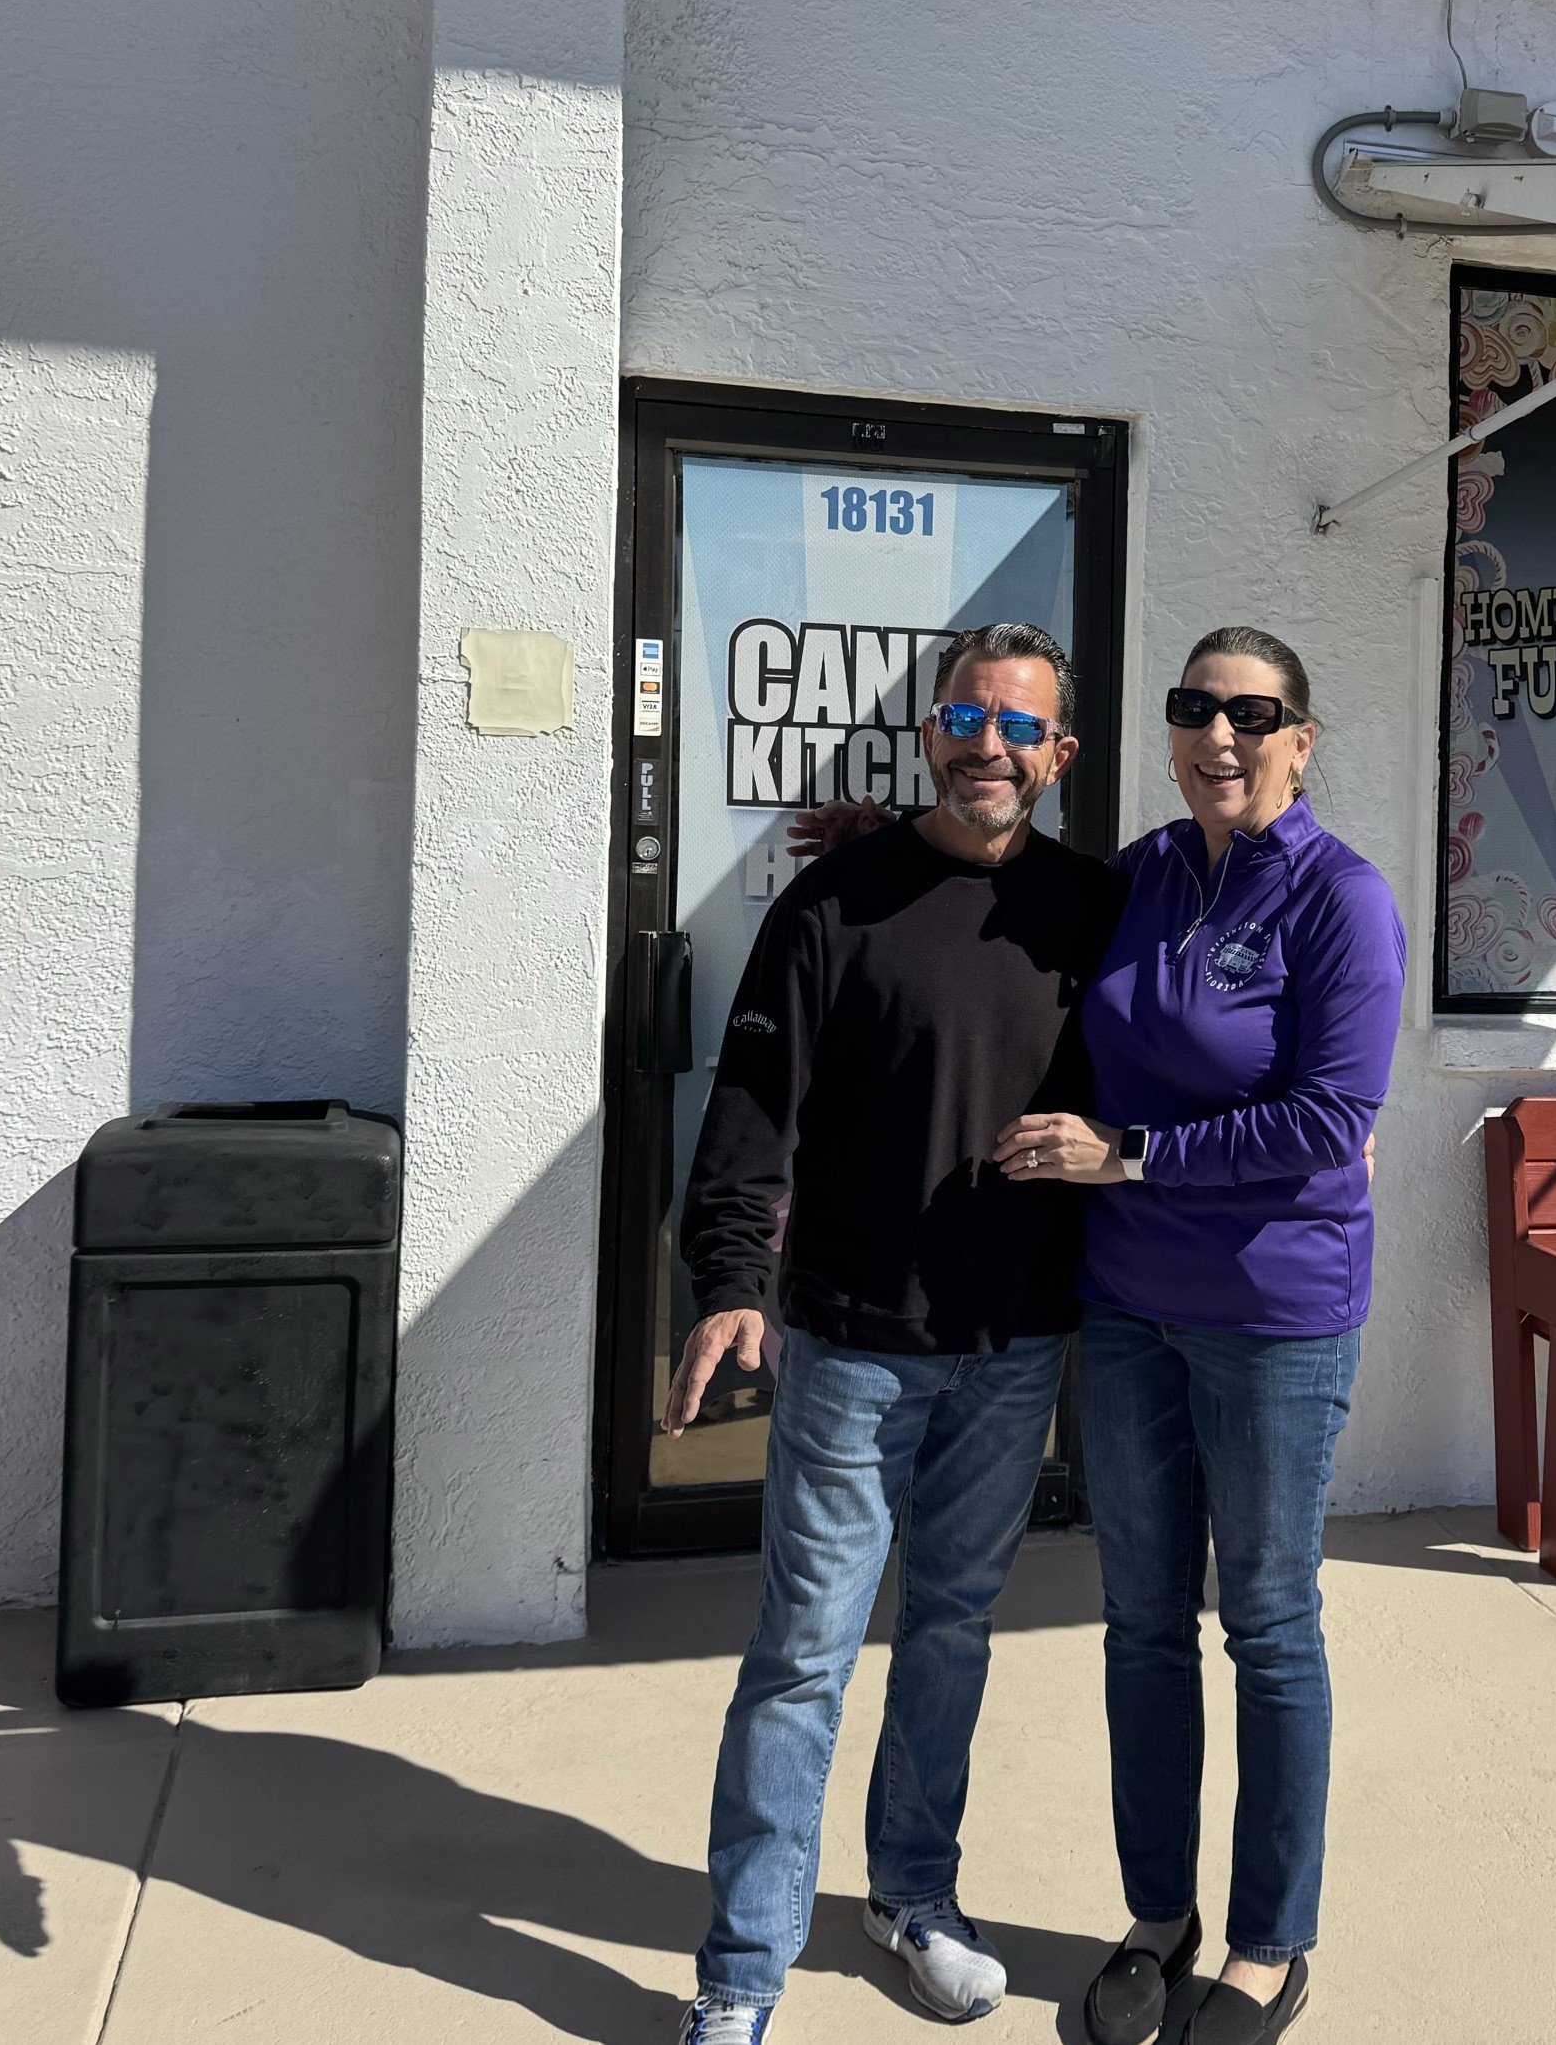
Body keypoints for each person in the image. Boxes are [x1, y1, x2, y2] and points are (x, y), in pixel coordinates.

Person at [669, 621, 1123, 2045]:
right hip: (853, 1346)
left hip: (1013, 1342)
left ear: (1059, 752)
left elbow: (1201, 1034)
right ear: (931, 732)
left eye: (1017, 725)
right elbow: (753, 1112)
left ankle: (913, 1896)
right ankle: (740, 1974)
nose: (988, 744)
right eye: (963, 717)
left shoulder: (1096, 912)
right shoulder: (835, 901)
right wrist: (730, 1280)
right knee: (804, 1652)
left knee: (949, 1635)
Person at [992, 628, 1406, 2045]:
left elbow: (1331, 1120)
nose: (1218, 736)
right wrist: (886, 843)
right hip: (1128, 1309)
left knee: (1271, 1623)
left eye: (1252, 714)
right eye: (1194, 710)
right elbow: (1012, 915)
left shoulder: (1342, 899)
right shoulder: (1146, 874)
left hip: (1273, 1315)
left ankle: (1270, 1943)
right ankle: (1157, 1918)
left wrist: (1131, 1155)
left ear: (1301, 739)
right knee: (1141, 1625)